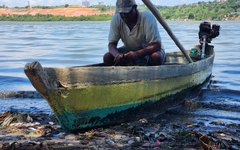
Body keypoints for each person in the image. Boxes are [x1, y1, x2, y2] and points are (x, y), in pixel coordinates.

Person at [103, 0, 165, 66]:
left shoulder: (147, 17)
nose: (124, 15)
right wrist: (117, 55)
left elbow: (156, 46)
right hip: (129, 51)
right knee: (107, 57)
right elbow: (111, 45)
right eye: (121, 13)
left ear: (134, 7)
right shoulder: (116, 19)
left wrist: (137, 53)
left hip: (148, 51)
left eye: (127, 12)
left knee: (156, 57)